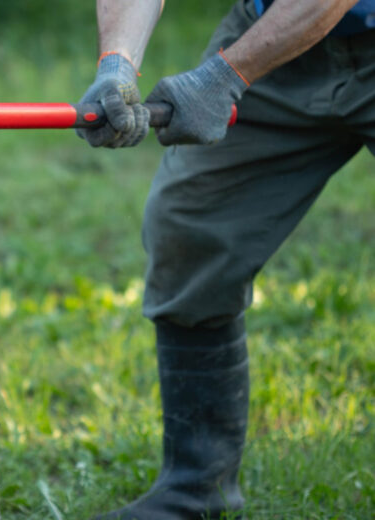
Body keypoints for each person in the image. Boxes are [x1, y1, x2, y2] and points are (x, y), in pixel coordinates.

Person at [77, 1, 375, 519]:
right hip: (273, 32)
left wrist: (225, 75)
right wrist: (117, 64)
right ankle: (195, 489)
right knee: (192, 227)